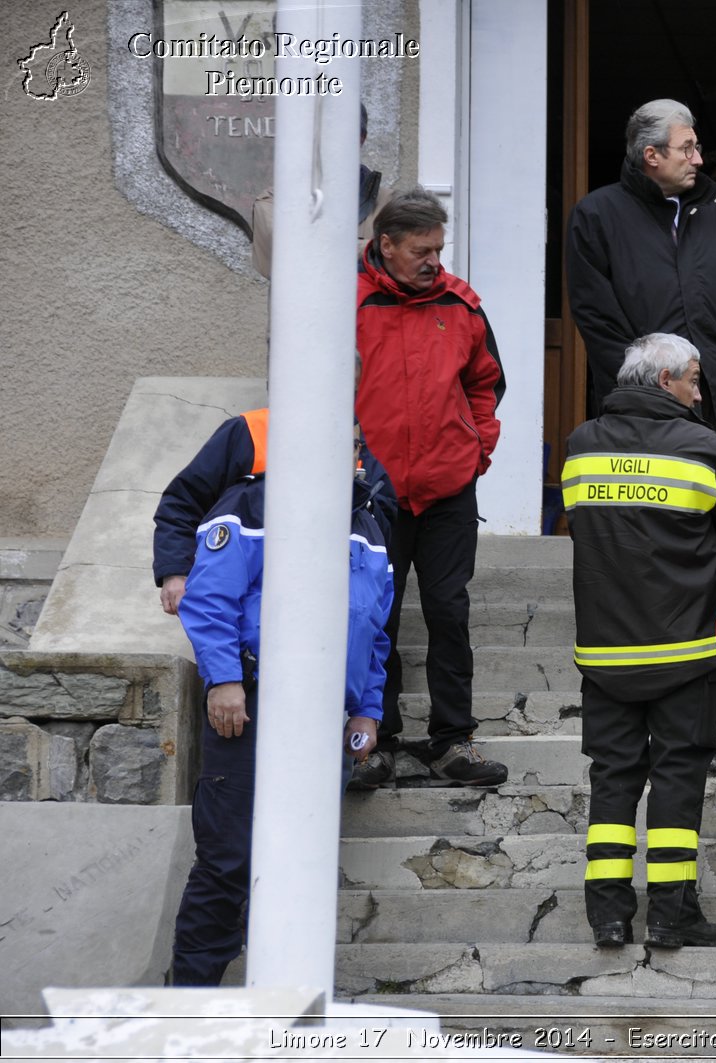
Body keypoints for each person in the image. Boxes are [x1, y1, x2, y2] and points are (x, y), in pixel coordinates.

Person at [170, 432, 392, 986]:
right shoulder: (250, 505)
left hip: (327, 723)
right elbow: (209, 598)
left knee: (300, 870)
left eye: (350, 444)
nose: (345, 454)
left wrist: (368, 710)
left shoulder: (367, 524)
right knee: (227, 864)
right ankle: (188, 1008)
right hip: (252, 709)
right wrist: (223, 679)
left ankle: (284, 1008)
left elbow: (377, 631)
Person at [562, 333, 716, 948]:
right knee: (677, 781)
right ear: (666, 380)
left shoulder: (582, 445)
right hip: (685, 653)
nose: (701, 390)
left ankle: (607, 916)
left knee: (612, 778)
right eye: (695, 378)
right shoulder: (703, 447)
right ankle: (672, 915)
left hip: (606, 652)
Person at [349, 188, 508, 789]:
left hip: (447, 490)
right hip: (373, 496)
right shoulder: (348, 303)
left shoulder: (461, 305)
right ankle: (373, 742)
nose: (433, 261)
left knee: (448, 612)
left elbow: (486, 385)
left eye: (438, 249)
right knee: (373, 616)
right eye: (421, 250)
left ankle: (453, 742)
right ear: (385, 246)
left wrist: (476, 454)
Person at [566, 99, 716, 445]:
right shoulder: (597, 215)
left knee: (714, 495)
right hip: (638, 409)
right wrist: (646, 382)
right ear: (652, 155)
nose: (698, 159)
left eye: (696, 147)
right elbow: (595, 315)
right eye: (686, 148)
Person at [152, 402, 396, 617]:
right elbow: (183, 502)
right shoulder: (250, 431)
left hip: (334, 610)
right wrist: (175, 571)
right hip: (248, 609)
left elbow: (382, 522)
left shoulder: (351, 439)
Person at [251, 103, 391, 278]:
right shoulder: (272, 201)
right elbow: (293, 250)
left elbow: (405, 256)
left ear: (360, 138)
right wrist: (372, 248)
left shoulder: (391, 204)